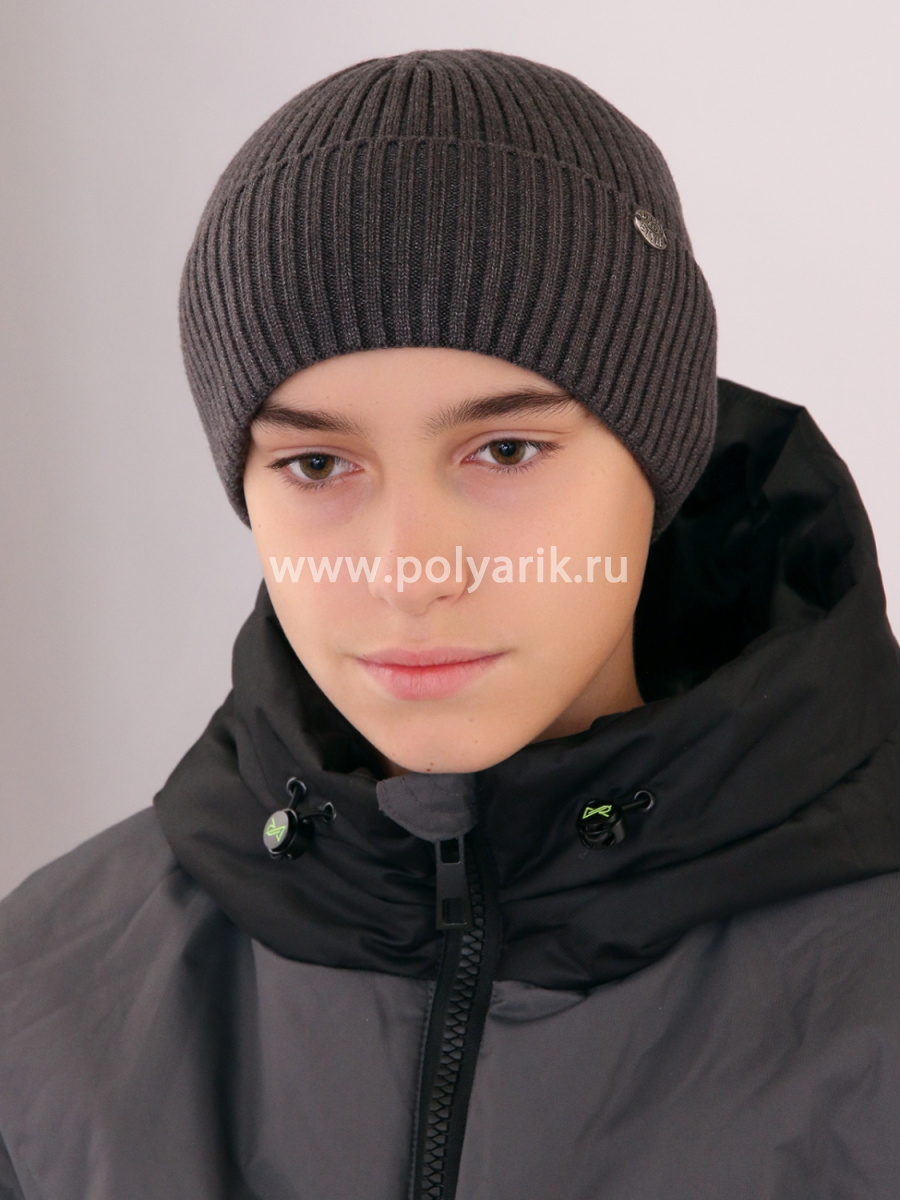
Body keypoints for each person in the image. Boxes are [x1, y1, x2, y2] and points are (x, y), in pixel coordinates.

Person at [1, 47, 899, 1200]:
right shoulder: (44, 1009)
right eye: (317, 464)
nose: (410, 572)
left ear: (661, 458)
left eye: (506, 449)